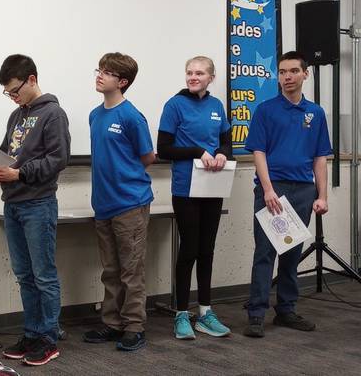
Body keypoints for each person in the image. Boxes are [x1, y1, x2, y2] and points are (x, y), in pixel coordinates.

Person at [0, 54, 71, 367]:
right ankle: (32, 333)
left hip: (38, 203)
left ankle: (49, 338)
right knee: (25, 276)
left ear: (32, 79)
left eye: (15, 90)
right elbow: (8, 153)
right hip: (14, 204)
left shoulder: (53, 114)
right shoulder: (16, 116)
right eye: (8, 93)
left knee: (44, 275)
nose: (13, 97)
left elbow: (58, 159)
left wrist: (19, 174)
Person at [243, 51, 331, 338]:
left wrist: (323, 195)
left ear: (306, 74)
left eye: (293, 71)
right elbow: (259, 152)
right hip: (274, 188)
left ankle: (286, 310)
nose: (287, 77)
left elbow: (320, 157)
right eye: (282, 72)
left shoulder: (315, 113)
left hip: (304, 190)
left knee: (292, 252)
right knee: (265, 252)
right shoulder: (266, 109)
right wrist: (267, 190)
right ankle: (256, 313)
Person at [83, 53, 155, 352]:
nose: (100, 75)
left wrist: (127, 179)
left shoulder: (131, 116)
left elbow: (147, 157)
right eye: (99, 69)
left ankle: (134, 326)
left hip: (130, 204)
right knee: (110, 270)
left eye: (108, 72)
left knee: (131, 271)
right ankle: (111, 323)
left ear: (122, 82)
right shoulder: (95, 114)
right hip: (104, 204)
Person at [157, 56, 232, 340]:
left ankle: (205, 312)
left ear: (211, 77)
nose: (193, 77)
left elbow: (226, 141)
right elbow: (164, 149)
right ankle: (181, 314)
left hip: (212, 186)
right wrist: (197, 151)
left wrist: (224, 152)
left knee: (207, 249)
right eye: (189, 72)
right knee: (188, 248)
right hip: (186, 188)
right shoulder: (174, 105)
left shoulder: (216, 106)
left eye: (199, 73)